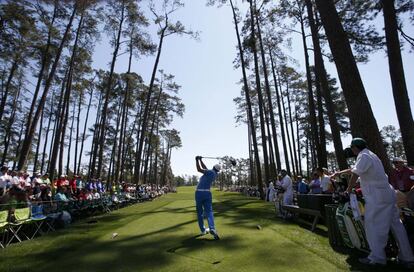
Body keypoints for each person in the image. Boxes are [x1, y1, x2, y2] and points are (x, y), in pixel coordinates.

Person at [332, 138, 414, 267]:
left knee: (373, 226)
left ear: (354, 148)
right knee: (397, 226)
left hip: (377, 197)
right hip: (387, 194)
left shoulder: (363, 155)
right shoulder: (371, 155)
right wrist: (339, 172)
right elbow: (354, 169)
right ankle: (407, 257)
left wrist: (348, 190)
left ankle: (377, 258)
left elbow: (355, 174)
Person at [194, 156, 220, 240]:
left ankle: (203, 230)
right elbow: (205, 168)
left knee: (200, 212)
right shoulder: (213, 173)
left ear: (213, 167)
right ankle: (212, 228)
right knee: (209, 211)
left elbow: (199, 169)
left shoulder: (209, 172)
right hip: (207, 193)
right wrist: (201, 160)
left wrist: (197, 160)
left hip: (199, 193)